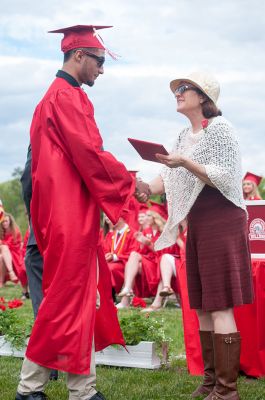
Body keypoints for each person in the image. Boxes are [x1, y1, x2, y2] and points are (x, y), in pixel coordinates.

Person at [15, 24, 149, 400]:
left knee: (75, 296)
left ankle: (75, 389)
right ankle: (37, 389)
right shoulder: (66, 97)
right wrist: (129, 182)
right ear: (79, 56)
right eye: (99, 61)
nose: (102, 70)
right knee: (67, 297)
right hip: (68, 215)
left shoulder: (51, 99)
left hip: (60, 214)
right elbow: (90, 154)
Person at [138, 71, 253, 400]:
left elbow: (226, 177)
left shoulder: (220, 129)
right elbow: (168, 176)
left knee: (220, 306)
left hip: (222, 219)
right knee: (202, 306)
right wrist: (146, 188)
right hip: (199, 223)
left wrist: (185, 162)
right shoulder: (181, 135)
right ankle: (211, 381)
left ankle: (227, 391)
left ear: (203, 97)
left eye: (184, 88)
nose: (178, 92)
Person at [116, 202, 167, 309]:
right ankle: (127, 289)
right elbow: (142, 253)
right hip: (148, 263)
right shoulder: (146, 231)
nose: (146, 217)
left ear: (155, 217)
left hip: (159, 263)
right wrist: (141, 244)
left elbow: (164, 253)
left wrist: (148, 244)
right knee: (134, 255)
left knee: (133, 264)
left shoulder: (164, 232)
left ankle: (126, 293)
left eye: (149, 215)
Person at [101, 216, 137, 298]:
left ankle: (110, 295)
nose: (108, 220)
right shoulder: (112, 233)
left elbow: (133, 253)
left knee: (110, 268)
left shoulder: (132, 233)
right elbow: (106, 249)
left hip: (126, 264)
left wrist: (115, 257)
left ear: (121, 218)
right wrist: (107, 255)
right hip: (112, 263)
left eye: (111, 217)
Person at [0, 213, 29, 297]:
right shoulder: (1, 231)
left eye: (6, 221)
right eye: (3, 222)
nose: (5, 223)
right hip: (5, 256)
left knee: (4, 250)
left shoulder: (15, 230)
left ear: (10, 221)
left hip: (15, 254)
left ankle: (7, 277)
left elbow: (16, 244)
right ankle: (4, 279)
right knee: (2, 256)